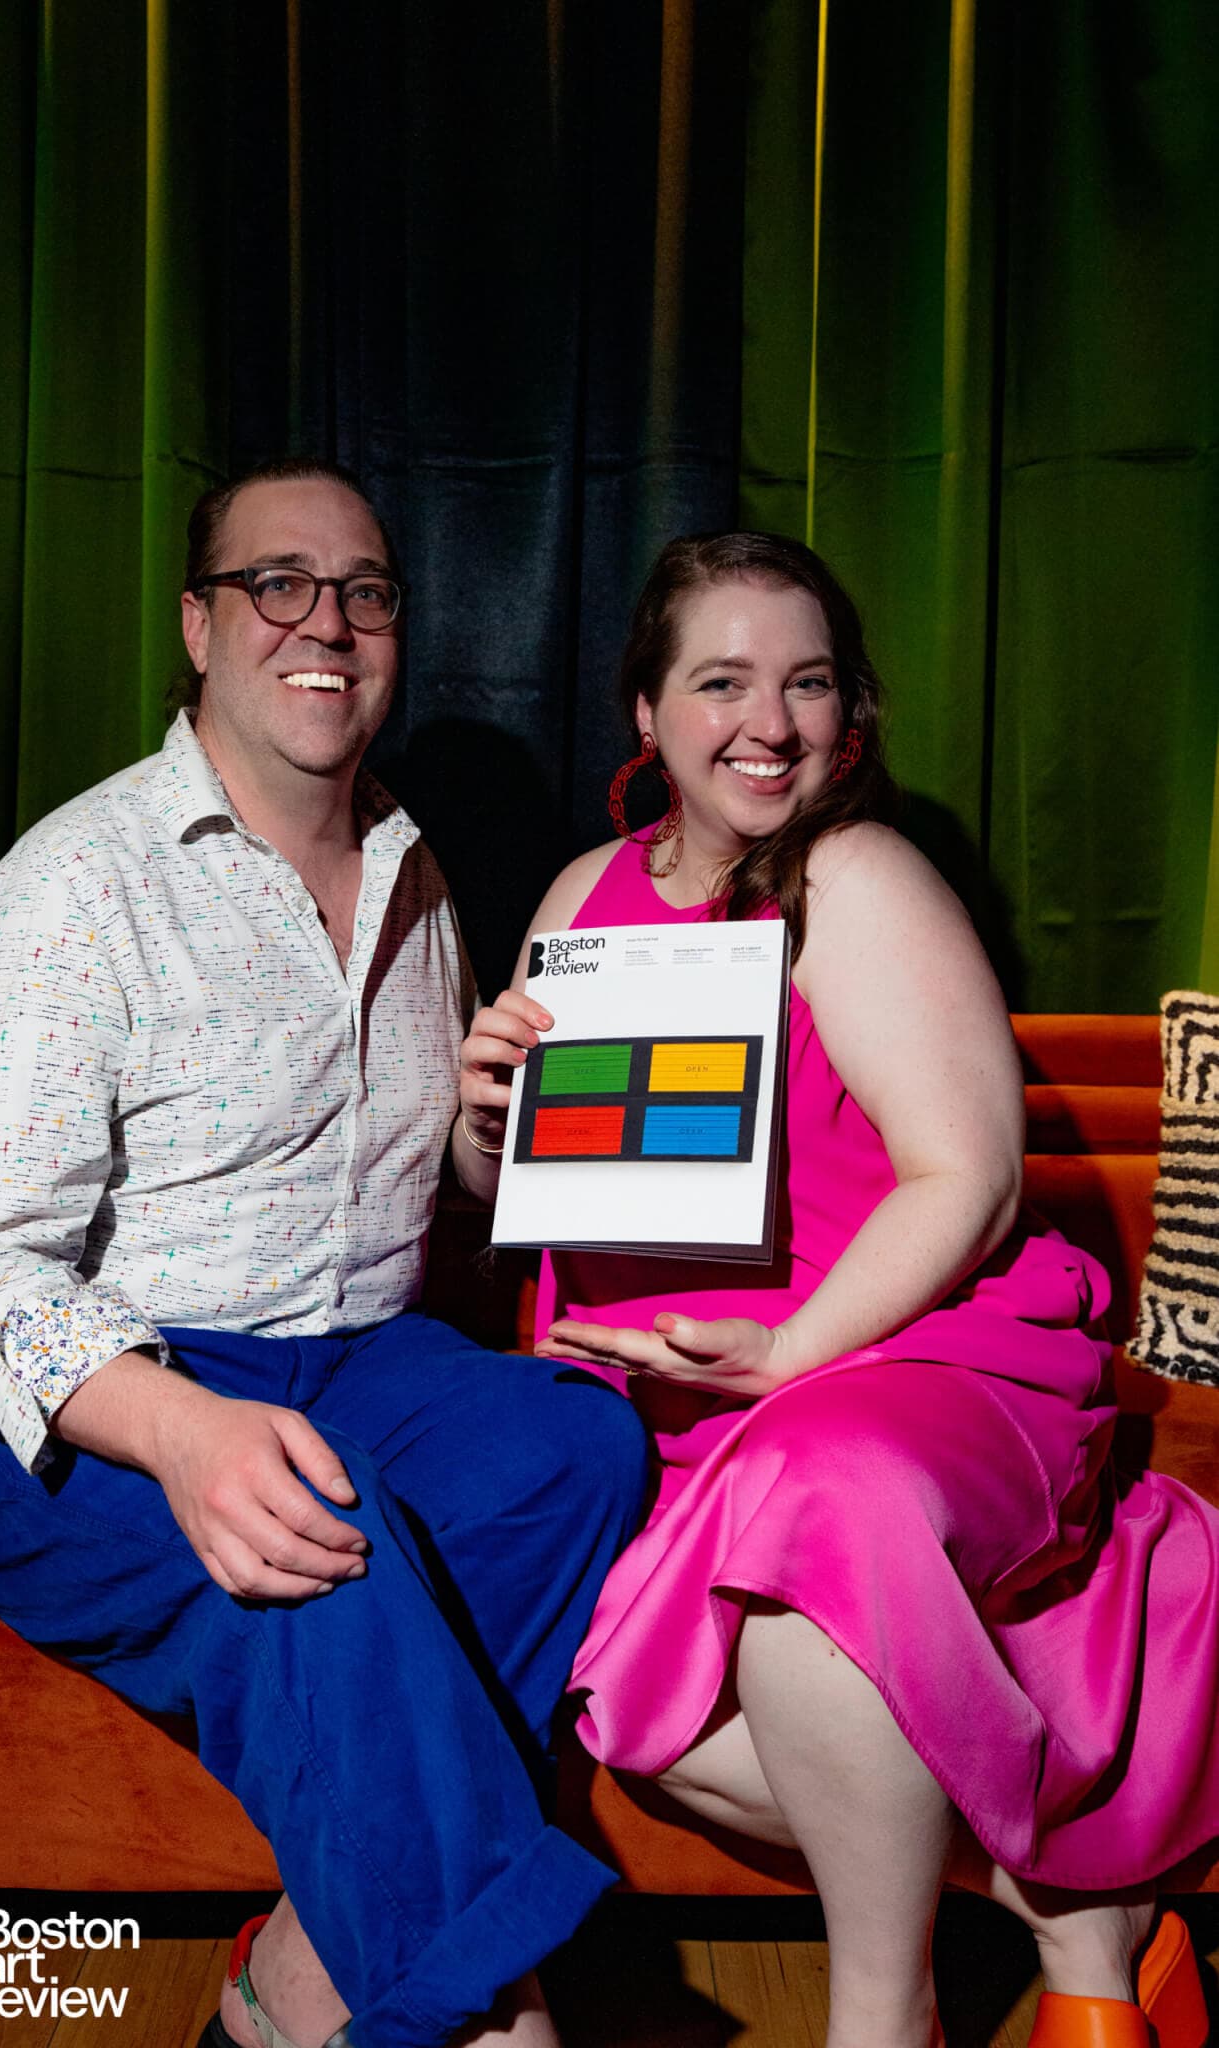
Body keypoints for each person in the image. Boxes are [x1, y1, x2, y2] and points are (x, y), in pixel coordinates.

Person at [0, 458, 649, 2048]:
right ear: (199, 625)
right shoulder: (76, 884)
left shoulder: (418, 873)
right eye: (277, 584)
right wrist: (179, 1431)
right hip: (57, 1387)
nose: (327, 624)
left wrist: (488, 1131)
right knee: (326, 1543)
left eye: (365, 592)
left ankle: (297, 1977)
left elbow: (420, 1194)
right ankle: (484, 2017)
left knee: (574, 1444)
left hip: (346, 1356)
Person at [455, 530, 1218, 2048]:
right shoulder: (583, 896)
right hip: (661, 1390)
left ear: (847, 710)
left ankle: (883, 2013)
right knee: (581, 1668)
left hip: (903, 1362)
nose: (769, 722)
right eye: (721, 681)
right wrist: (487, 1125)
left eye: (806, 683)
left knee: (815, 1502)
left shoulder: (857, 877)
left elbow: (967, 1179)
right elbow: (522, 1212)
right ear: (646, 711)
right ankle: (1070, 1911)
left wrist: (791, 1352)